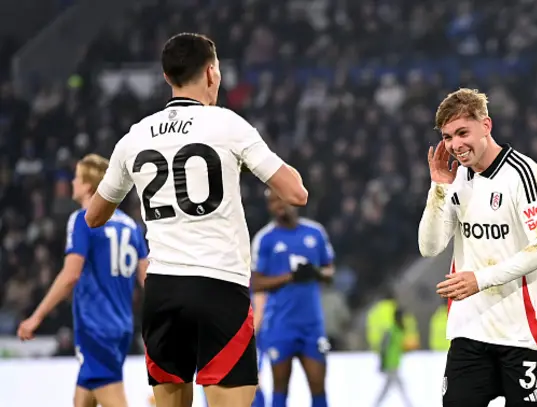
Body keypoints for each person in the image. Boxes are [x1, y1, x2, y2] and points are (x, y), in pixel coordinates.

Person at [83, 33, 307, 407]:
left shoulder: (134, 137)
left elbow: (94, 216)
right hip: (219, 287)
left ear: (167, 77)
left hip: (163, 292)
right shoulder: (227, 125)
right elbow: (296, 193)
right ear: (211, 73)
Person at [418, 88, 537, 407]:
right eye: (448, 136)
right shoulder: (456, 179)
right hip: (471, 329)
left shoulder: (523, 175)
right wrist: (438, 188)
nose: (455, 145)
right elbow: (430, 247)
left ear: (486, 126)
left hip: (524, 332)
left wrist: (480, 279)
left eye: (462, 133)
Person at [17, 154, 149, 407]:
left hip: (95, 325)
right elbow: (147, 279)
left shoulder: (83, 219)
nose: (73, 183)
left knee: (110, 392)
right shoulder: (131, 227)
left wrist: (37, 316)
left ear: (89, 185)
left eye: (77, 177)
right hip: (121, 325)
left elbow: (70, 275)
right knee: (84, 394)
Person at [250, 189, 335, 407]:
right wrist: (289, 277)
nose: (278, 205)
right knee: (280, 386)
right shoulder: (265, 239)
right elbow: (256, 283)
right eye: (272, 202)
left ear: (292, 201)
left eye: (281, 199)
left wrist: (315, 273)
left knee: (318, 384)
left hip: (311, 325)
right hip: (280, 325)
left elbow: (329, 272)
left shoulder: (315, 233)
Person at [373, 307, 415, 407]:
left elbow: (399, 347)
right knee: (397, 385)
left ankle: (377, 404)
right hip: (390, 363)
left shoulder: (400, 330)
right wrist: (382, 362)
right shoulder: (391, 330)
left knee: (389, 386)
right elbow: (384, 347)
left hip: (396, 362)